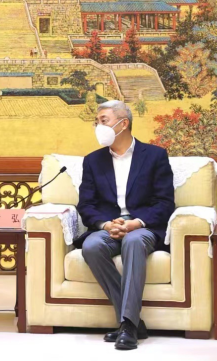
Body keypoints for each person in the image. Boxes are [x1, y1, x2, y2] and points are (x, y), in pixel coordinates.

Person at [74, 100, 175, 350]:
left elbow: (164, 202)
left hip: (143, 227)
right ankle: (133, 323)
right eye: (96, 122)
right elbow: (86, 204)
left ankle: (127, 325)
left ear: (123, 123)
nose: (98, 127)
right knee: (91, 246)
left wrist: (135, 224)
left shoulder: (155, 156)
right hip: (108, 227)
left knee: (133, 240)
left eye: (103, 121)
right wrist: (106, 225)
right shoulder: (93, 161)